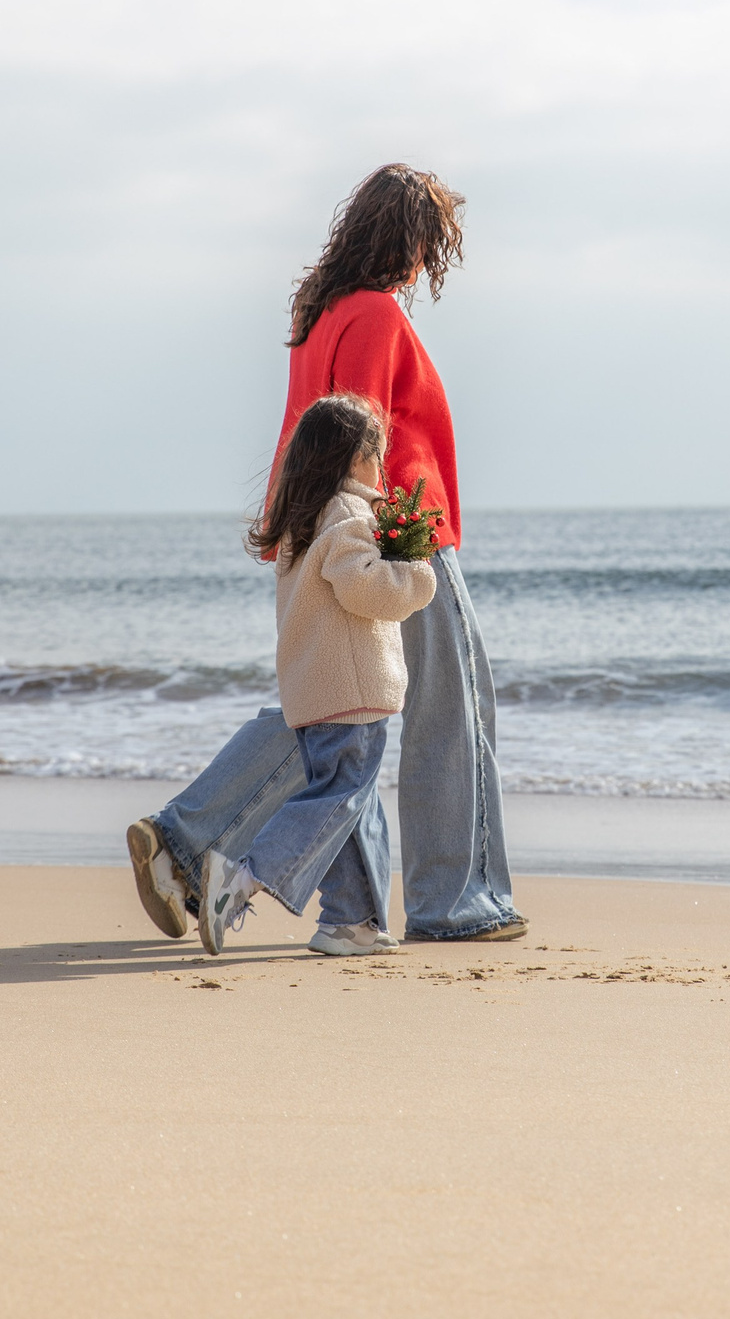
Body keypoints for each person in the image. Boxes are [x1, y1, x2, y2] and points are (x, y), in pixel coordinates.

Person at [125, 163, 526, 944]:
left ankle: (189, 842)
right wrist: (386, 545)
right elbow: (361, 441)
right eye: (429, 244)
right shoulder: (376, 314)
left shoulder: (321, 315)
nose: (426, 265)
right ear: (409, 242)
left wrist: (290, 536)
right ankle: (455, 902)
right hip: (399, 534)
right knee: (452, 707)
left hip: (314, 532)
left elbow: (302, 435)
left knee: (329, 712)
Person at [190, 393, 435, 957]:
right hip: (351, 690)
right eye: (378, 455)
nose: (383, 468)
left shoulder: (305, 518)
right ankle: (243, 877)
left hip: (315, 689)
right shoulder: (350, 515)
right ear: (355, 460)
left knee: (355, 808)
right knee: (340, 800)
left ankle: (350, 922)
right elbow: (364, 587)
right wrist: (416, 575)